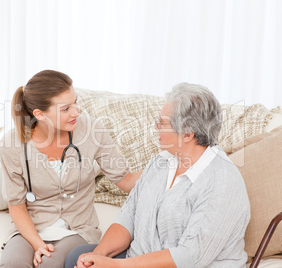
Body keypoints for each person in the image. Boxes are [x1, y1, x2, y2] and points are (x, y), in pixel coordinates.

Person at [66, 82, 251, 268]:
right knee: (79, 256)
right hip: (140, 260)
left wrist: (117, 266)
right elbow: (128, 218)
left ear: (187, 134)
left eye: (162, 123)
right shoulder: (161, 162)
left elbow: (189, 257)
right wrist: (97, 256)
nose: (156, 127)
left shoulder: (222, 182)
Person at [0, 70, 141, 268]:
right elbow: (16, 205)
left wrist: (169, 166)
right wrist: (38, 244)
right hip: (32, 228)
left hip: (78, 229)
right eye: (65, 109)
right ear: (39, 114)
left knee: (49, 264)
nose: (76, 112)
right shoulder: (12, 143)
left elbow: (126, 180)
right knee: (13, 264)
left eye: (76, 102)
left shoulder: (91, 131)